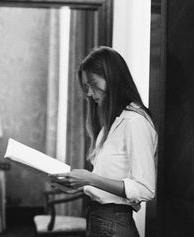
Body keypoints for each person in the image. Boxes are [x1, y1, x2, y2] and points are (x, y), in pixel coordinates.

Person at [51, 46, 157, 237]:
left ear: (113, 78)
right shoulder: (111, 124)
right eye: (86, 87)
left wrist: (90, 178)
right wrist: (78, 184)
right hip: (99, 220)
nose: (89, 93)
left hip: (114, 224)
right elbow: (111, 178)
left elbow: (145, 189)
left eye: (93, 83)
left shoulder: (134, 121)